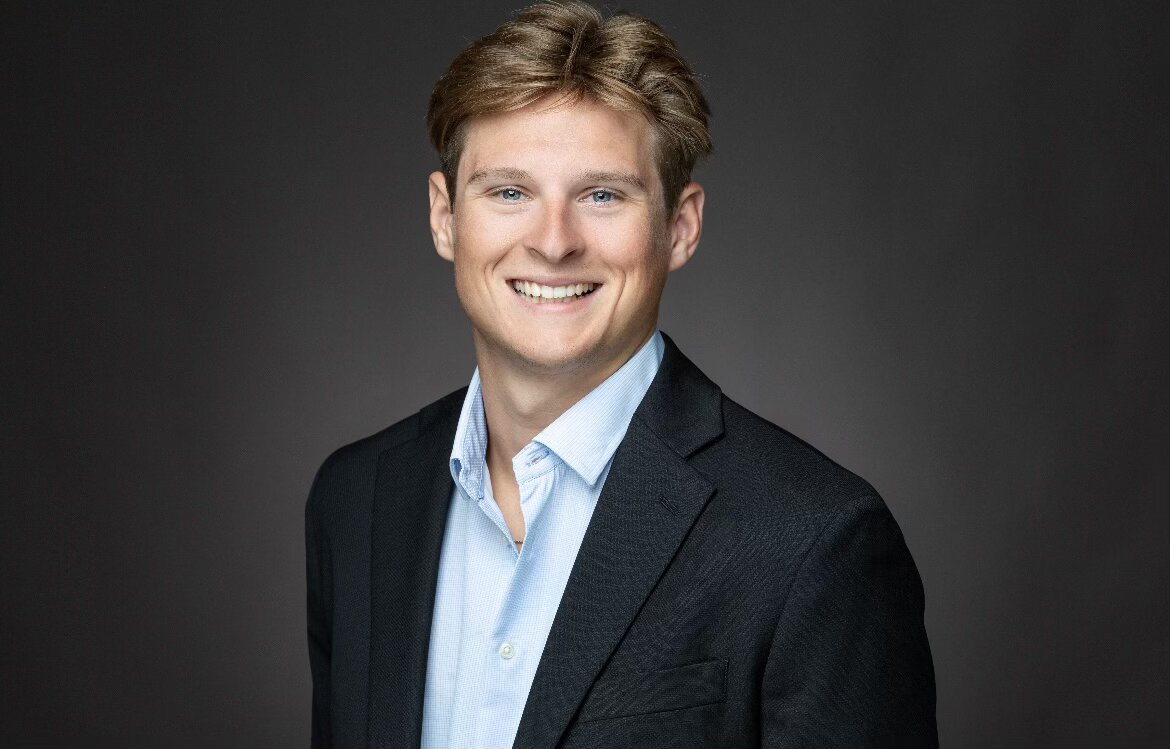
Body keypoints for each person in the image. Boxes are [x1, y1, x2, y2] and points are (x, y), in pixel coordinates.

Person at [304, 1, 937, 746]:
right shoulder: (356, 500)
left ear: (680, 226)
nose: (553, 242)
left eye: (602, 195)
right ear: (445, 217)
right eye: (509, 192)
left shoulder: (812, 541)